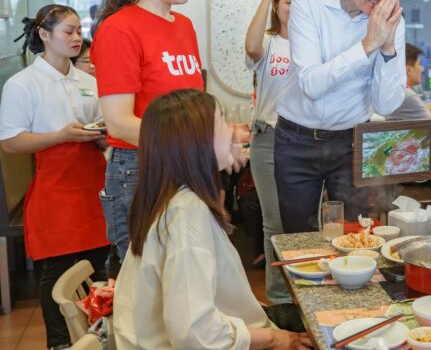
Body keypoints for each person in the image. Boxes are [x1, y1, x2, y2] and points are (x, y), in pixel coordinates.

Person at [113, 89, 313, 350]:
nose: (231, 131)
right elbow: (192, 333)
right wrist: (277, 339)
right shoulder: (186, 214)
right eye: (222, 122)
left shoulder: (173, 195)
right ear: (197, 141)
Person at [92, 0, 215, 262]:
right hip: (141, 168)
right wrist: (190, 143)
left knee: (185, 270)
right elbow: (119, 123)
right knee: (145, 276)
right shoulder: (119, 29)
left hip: (185, 165)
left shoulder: (184, 26)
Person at [274, 0, 405, 231]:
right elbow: (311, 85)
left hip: (352, 141)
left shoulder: (391, 19)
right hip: (297, 140)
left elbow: (386, 105)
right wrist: (369, 44)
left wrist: (387, 49)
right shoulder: (309, 1)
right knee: (298, 238)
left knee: (355, 235)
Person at [0, 5, 109, 350]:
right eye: (68, 31)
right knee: (57, 272)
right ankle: (60, 344)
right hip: (55, 186)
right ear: (44, 35)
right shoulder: (22, 84)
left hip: (95, 182)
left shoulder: (88, 81)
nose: (77, 38)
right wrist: (61, 136)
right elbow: (10, 142)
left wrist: (103, 136)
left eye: (79, 31)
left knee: (98, 267)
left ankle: (100, 339)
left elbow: (103, 129)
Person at [244, 0, 304, 305]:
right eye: (288, 2)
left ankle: (306, 293)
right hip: (269, 137)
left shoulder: (316, 44)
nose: (294, 8)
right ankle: (280, 300)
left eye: (300, 2)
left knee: (308, 222)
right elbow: (251, 48)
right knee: (275, 223)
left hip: (307, 140)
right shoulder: (269, 42)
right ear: (277, 6)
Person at [386, 43, 431, 184]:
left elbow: (422, 111)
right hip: (408, 165)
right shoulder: (407, 95)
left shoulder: (399, 91)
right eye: (419, 65)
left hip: (398, 157)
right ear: (409, 70)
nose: (422, 69)